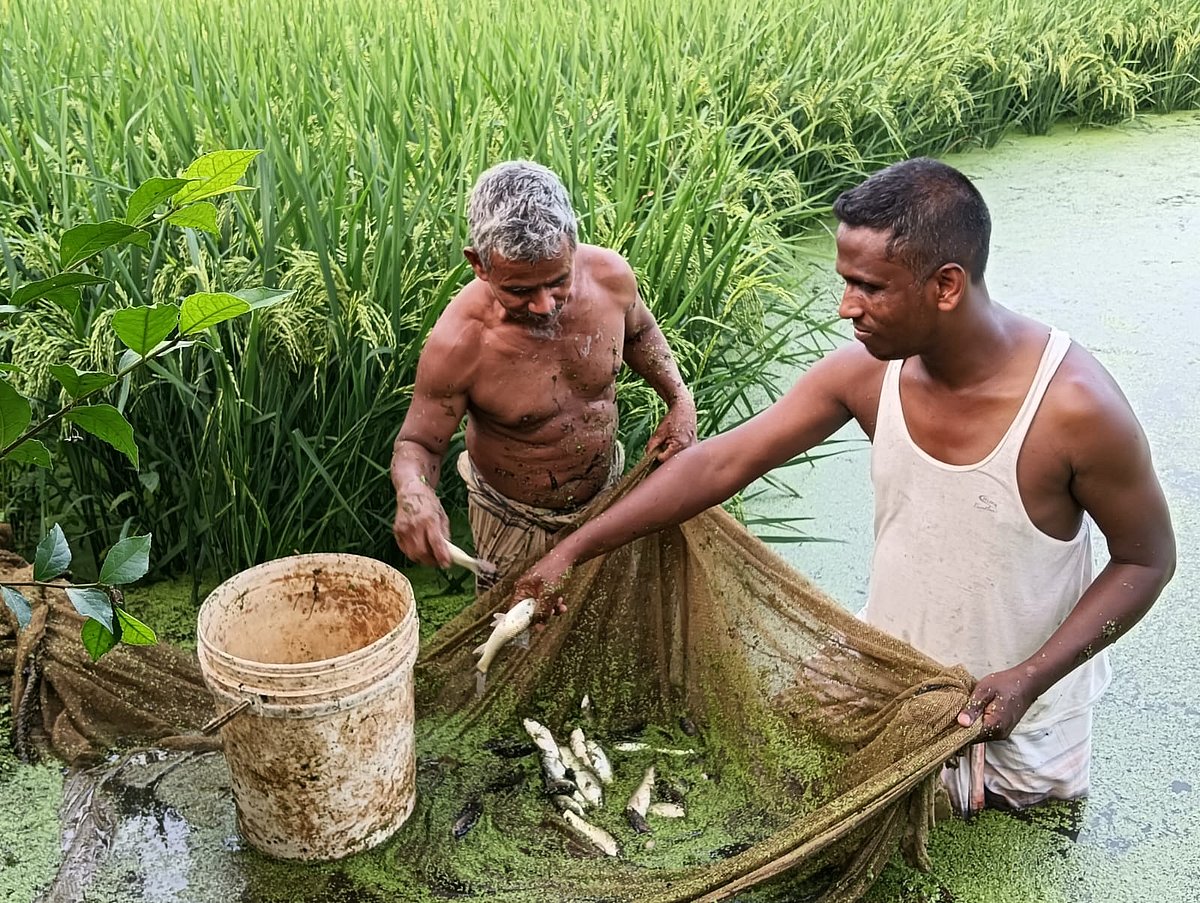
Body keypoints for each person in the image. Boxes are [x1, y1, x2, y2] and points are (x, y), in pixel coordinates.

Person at [513, 157, 1176, 813]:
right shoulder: (863, 376)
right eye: (844, 280)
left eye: (869, 287)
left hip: (1016, 720)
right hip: (881, 667)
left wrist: (1030, 677)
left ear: (945, 285)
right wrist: (574, 549)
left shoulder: (1073, 410)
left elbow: (1147, 560)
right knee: (767, 786)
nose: (844, 307)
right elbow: (718, 464)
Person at [390, 160, 696, 591]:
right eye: (519, 290)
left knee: (606, 624)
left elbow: (640, 331)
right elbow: (418, 444)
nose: (544, 305)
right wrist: (415, 492)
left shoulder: (611, 279)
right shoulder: (459, 343)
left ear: (573, 244)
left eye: (557, 281)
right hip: (514, 521)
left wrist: (679, 400)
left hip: (607, 502)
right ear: (479, 264)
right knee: (513, 639)